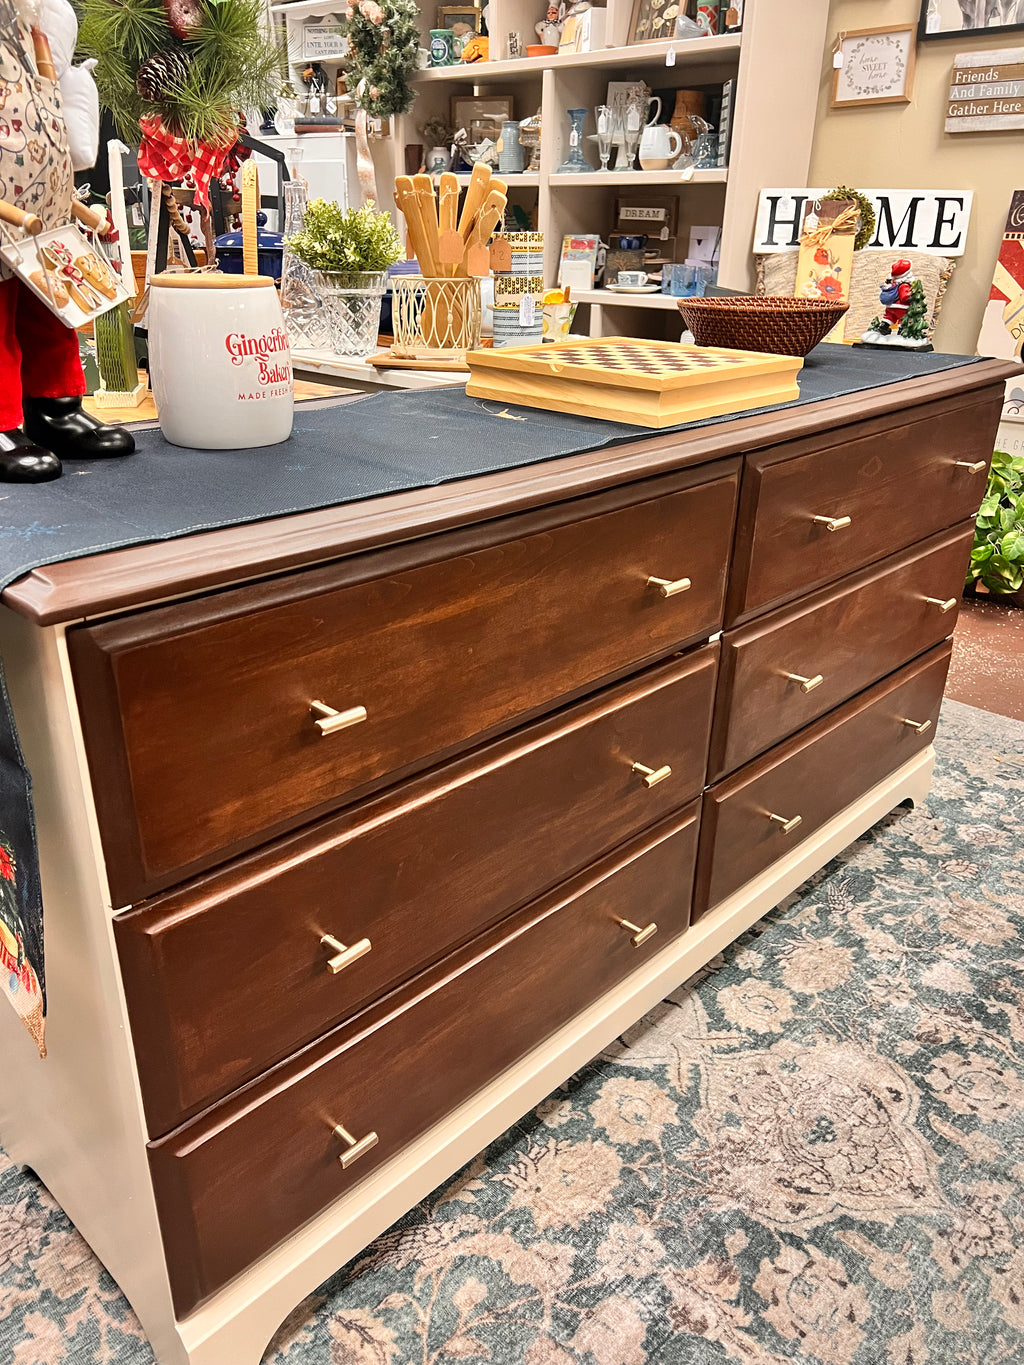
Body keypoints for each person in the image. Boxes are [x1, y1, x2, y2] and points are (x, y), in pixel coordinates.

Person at [0, 0, 135, 482]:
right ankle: (1, 422)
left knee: (50, 308)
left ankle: (54, 407)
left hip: (42, 198)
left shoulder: (30, 21)